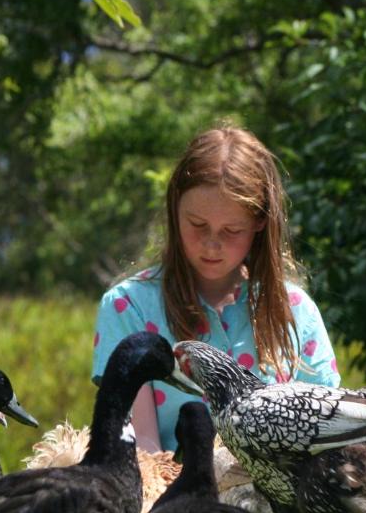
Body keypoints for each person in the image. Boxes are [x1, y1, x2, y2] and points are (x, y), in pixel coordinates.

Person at [91, 124, 340, 453]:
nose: (211, 244)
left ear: (260, 222)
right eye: (197, 224)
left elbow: (325, 433)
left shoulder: (296, 312)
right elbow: (140, 450)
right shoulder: (129, 307)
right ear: (175, 209)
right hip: (169, 486)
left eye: (232, 230)